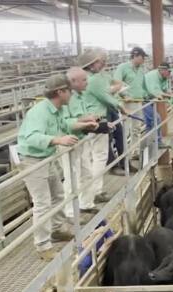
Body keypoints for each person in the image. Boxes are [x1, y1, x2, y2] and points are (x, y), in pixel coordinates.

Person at [18, 75, 98, 260]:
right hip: (32, 160)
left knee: (58, 195)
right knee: (42, 203)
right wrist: (58, 140)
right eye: (69, 90)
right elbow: (31, 137)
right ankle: (43, 245)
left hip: (46, 157)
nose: (71, 94)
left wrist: (84, 124)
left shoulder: (58, 109)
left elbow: (66, 124)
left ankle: (57, 229)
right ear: (60, 92)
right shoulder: (39, 112)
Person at [80, 49, 127, 201]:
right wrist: (120, 106)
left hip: (86, 120)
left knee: (89, 158)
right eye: (99, 61)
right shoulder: (94, 79)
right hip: (97, 120)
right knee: (99, 156)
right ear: (92, 65)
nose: (102, 64)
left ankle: (88, 193)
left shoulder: (85, 79)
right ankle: (95, 191)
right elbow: (105, 97)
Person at [61, 67, 100, 218]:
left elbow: (80, 116)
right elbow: (67, 122)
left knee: (86, 173)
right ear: (73, 82)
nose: (86, 82)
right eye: (83, 80)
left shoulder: (80, 95)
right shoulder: (68, 99)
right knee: (72, 177)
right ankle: (70, 212)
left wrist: (89, 117)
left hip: (81, 139)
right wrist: (87, 119)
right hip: (69, 142)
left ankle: (86, 203)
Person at [113, 47, 147, 153]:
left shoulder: (141, 69)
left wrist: (146, 96)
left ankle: (134, 151)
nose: (143, 60)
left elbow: (142, 85)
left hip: (138, 102)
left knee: (136, 129)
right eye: (142, 57)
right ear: (135, 56)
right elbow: (116, 82)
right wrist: (124, 95)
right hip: (126, 104)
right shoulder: (122, 67)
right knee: (125, 129)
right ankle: (124, 153)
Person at [143, 63, 173, 143]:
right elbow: (154, 91)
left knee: (149, 122)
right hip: (144, 99)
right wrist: (168, 95)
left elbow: (164, 88)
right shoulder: (153, 76)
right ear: (162, 70)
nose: (169, 73)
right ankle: (158, 142)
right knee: (157, 118)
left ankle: (148, 142)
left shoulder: (163, 77)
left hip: (150, 100)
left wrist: (168, 92)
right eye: (168, 71)